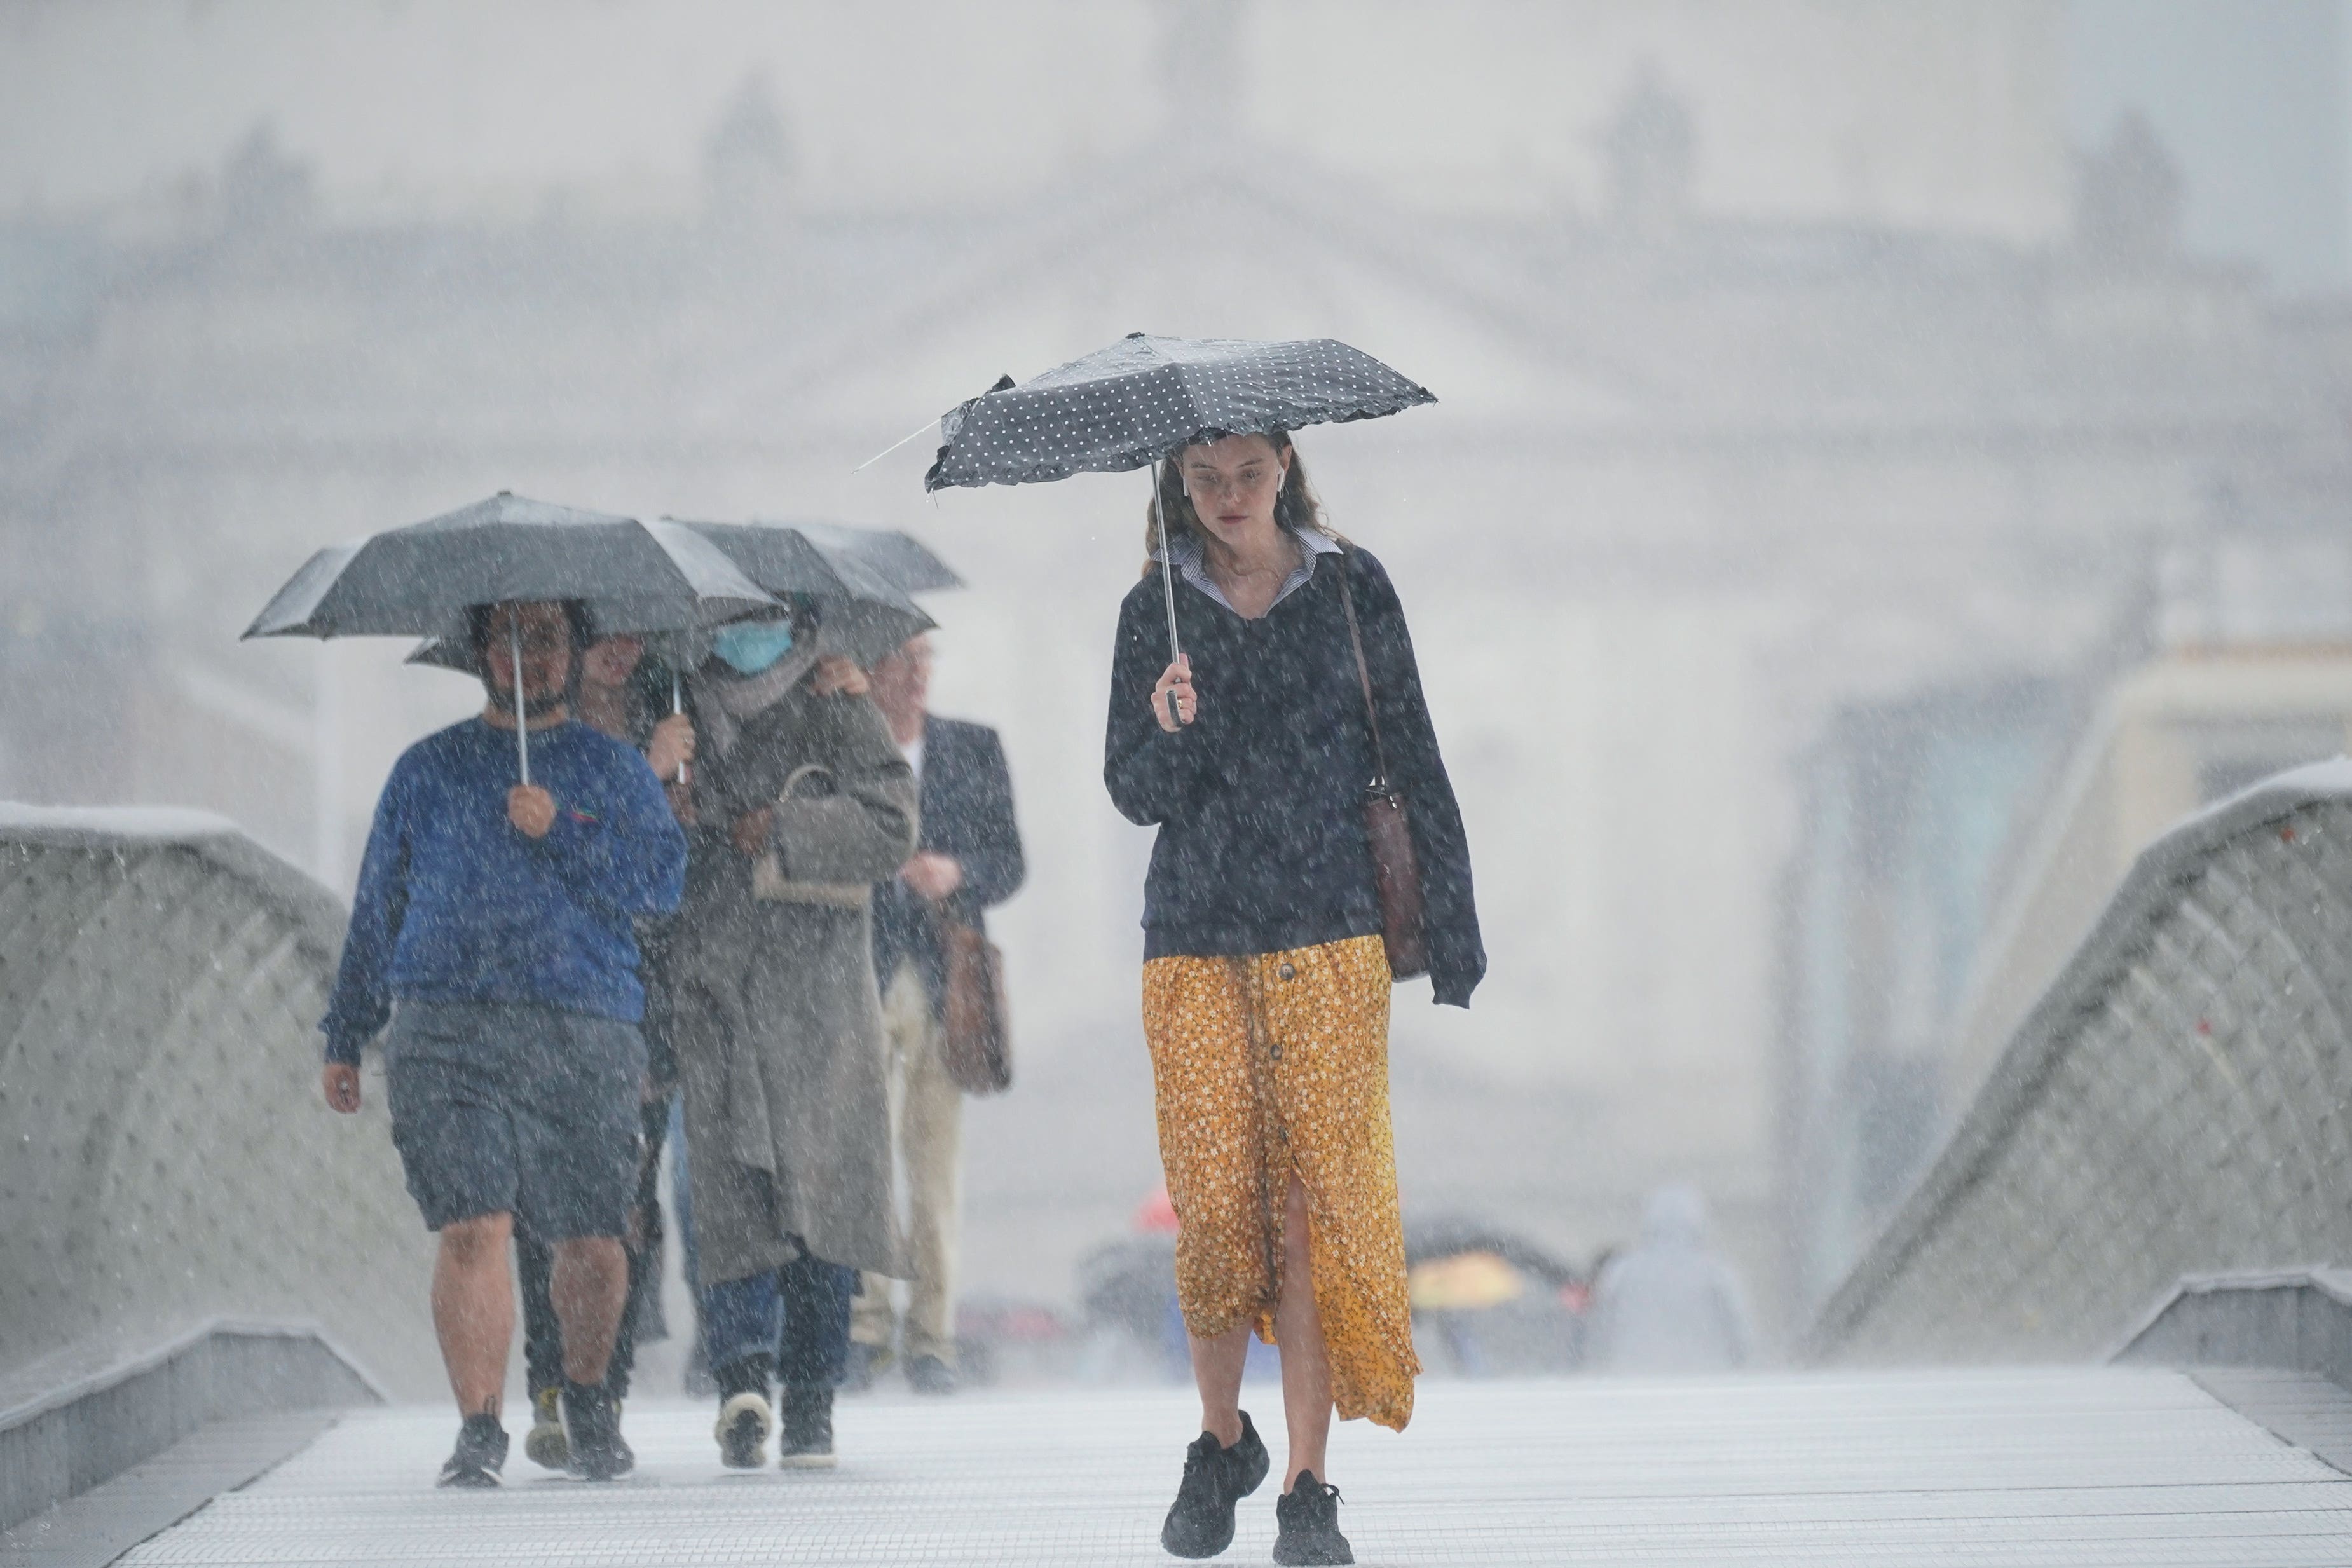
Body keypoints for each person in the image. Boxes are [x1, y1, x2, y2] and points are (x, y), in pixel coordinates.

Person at [1105, 432, 1483, 1565]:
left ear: (1284, 468)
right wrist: (1168, 726)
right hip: (1197, 934)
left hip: (1329, 928)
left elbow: (1410, 749)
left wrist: (1452, 926)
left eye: (1247, 474)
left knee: (1317, 1202)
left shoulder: (1353, 588)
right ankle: (1223, 1439)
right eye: (1205, 478)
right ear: (1178, 482)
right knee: (1216, 1207)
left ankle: (1310, 1486)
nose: (1227, 498)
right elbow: (1132, 792)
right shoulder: (1152, 613)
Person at [318, 599, 687, 1487]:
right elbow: (379, 904)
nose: (529, 656)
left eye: (548, 638)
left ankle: (589, 1400)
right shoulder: (426, 769)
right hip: (446, 1023)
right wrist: (346, 1028)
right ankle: (478, 1427)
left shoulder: (613, 769)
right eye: (509, 638)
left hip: (583, 1021)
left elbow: (662, 882)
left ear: (576, 651)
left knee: (594, 1236)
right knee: (473, 1225)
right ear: (480, 651)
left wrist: (559, 827)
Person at [668, 606, 917, 1469]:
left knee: (822, 1193)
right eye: (729, 618)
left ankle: (812, 1395)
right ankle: (741, 1375)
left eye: (764, 616)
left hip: (815, 987)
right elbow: (643, 831)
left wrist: (784, 826)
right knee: (726, 1184)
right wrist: (674, 797)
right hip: (715, 977)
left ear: (797, 618)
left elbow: (893, 824)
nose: (746, 633)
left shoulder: (837, 698)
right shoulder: (673, 701)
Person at [512, 632, 696, 1469]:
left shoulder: (677, 726)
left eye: (635, 634)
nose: (618, 649)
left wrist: (664, 782)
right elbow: (546, 865)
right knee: (533, 1200)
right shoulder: (524, 746)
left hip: (642, 994)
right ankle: (548, 1380)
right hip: (543, 990)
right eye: (600, 631)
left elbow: (660, 875)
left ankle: (602, 1390)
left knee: (625, 1199)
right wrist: (636, 782)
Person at [848, 632, 1026, 1396]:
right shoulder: (845, 749)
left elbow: (1009, 860)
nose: (917, 672)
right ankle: (862, 1326)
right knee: (863, 1152)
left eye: (926, 657)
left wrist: (956, 872)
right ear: (871, 667)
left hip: (948, 975)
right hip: (862, 969)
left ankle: (931, 1335)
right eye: (902, 657)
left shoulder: (971, 746)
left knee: (934, 1161)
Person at [1585, 1184, 1757, 1374]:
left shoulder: (1623, 1271)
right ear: (1699, 1222)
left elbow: (1600, 1332)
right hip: (1705, 1384)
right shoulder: (1716, 1274)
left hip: (1634, 1383)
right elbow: (1742, 1334)